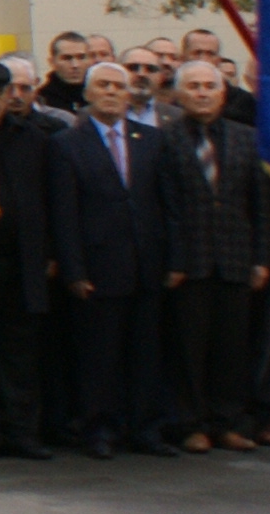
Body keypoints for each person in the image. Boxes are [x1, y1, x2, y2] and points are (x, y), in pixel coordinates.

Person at [49, 59, 177, 458]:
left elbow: (169, 205)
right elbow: (63, 214)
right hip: (98, 268)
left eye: (117, 86)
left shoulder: (153, 140)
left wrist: (176, 261)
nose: (110, 92)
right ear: (87, 95)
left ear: (128, 94)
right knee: (99, 356)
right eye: (101, 85)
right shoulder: (67, 144)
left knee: (147, 353)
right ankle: (99, 429)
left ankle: (146, 428)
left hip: (148, 265)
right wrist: (74, 270)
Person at [156, 59, 268, 452]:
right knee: (188, 348)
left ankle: (230, 422)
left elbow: (260, 205)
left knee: (232, 348)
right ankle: (190, 423)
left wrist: (261, 259)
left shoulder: (246, 138)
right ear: (178, 94)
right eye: (194, 86)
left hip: (236, 259)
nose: (202, 93)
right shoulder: (165, 140)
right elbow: (164, 205)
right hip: (190, 263)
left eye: (210, 86)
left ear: (224, 93)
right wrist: (173, 260)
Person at [0, 65, 59, 462]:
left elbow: (52, 201)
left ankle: (23, 432)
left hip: (22, 263)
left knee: (21, 355)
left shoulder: (35, 140)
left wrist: (51, 254)